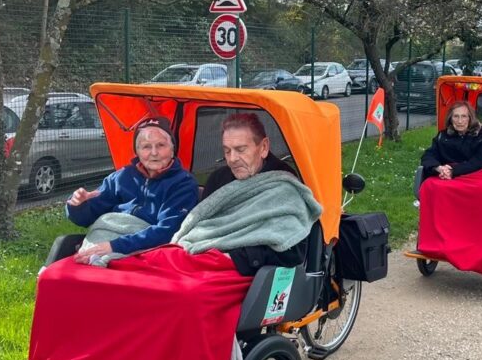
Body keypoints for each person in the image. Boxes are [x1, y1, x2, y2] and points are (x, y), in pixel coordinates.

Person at [66, 118, 198, 264]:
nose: (154, 153)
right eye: (146, 147)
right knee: (59, 274)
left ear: (172, 149)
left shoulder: (183, 183)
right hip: (105, 236)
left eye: (161, 145)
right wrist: (78, 205)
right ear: (137, 152)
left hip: (146, 249)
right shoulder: (121, 177)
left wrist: (115, 246)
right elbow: (85, 219)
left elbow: (168, 231)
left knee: (94, 268)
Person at [198, 112, 308, 276]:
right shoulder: (218, 179)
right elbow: (201, 226)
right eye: (227, 151)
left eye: (240, 150)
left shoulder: (284, 187)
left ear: (263, 147)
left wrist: (234, 257)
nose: (232, 159)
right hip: (208, 260)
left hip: (251, 275)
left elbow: (293, 252)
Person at [419, 101, 482, 180]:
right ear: (450, 119)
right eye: (456, 116)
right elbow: (428, 155)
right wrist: (438, 168)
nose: (459, 121)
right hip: (444, 174)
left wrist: (453, 171)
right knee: (430, 184)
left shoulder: (481, 137)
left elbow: (478, 162)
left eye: (464, 116)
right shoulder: (442, 136)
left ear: (470, 118)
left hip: (471, 176)